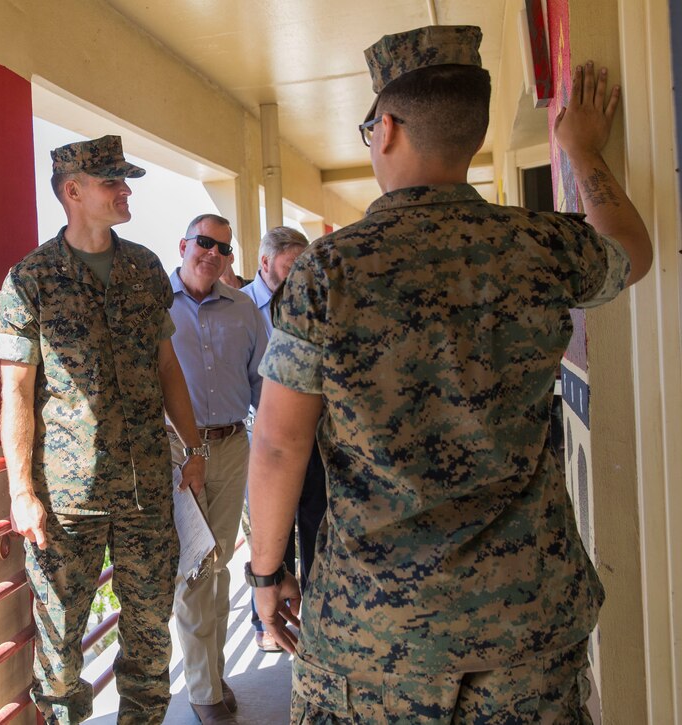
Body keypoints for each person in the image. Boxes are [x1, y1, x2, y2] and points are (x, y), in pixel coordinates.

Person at [246, 25, 652, 723]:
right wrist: (582, 151)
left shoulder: (326, 271)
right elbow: (630, 252)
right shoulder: (542, 245)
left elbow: (281, 443)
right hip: (525, 622)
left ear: (387, 129)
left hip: (375, 639)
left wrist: (266, 573)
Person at [0, 135, 206, 725]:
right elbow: (16, 392)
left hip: (146, 491)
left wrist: (193, 449)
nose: (125, 191)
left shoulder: (145, 268)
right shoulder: (30, 280)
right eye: (112, 181)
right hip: (68, 500)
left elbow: (167, 366)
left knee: (150, 635)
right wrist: (20, 491)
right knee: (60, 647)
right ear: (73, 191)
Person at [168, 214, 267, 724]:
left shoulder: (244, 309)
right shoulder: (155, 304)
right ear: (183, 245)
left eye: (224, 248)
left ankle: (213, 672)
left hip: (230, 447)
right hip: (176, 453)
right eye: (204, 242)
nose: (213, 253)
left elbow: (262, 385)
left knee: (220, 566)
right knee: (194, 570)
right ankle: (204, 692)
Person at [240, 226, 326, 653]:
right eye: (291, 266)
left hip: (314, 434)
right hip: (262, 437)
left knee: (314, 523)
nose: (298, 274)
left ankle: (313, 614)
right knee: (269, 527)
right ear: (264, 263)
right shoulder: (241, 308)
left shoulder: (314, 301)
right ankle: (265, 621)